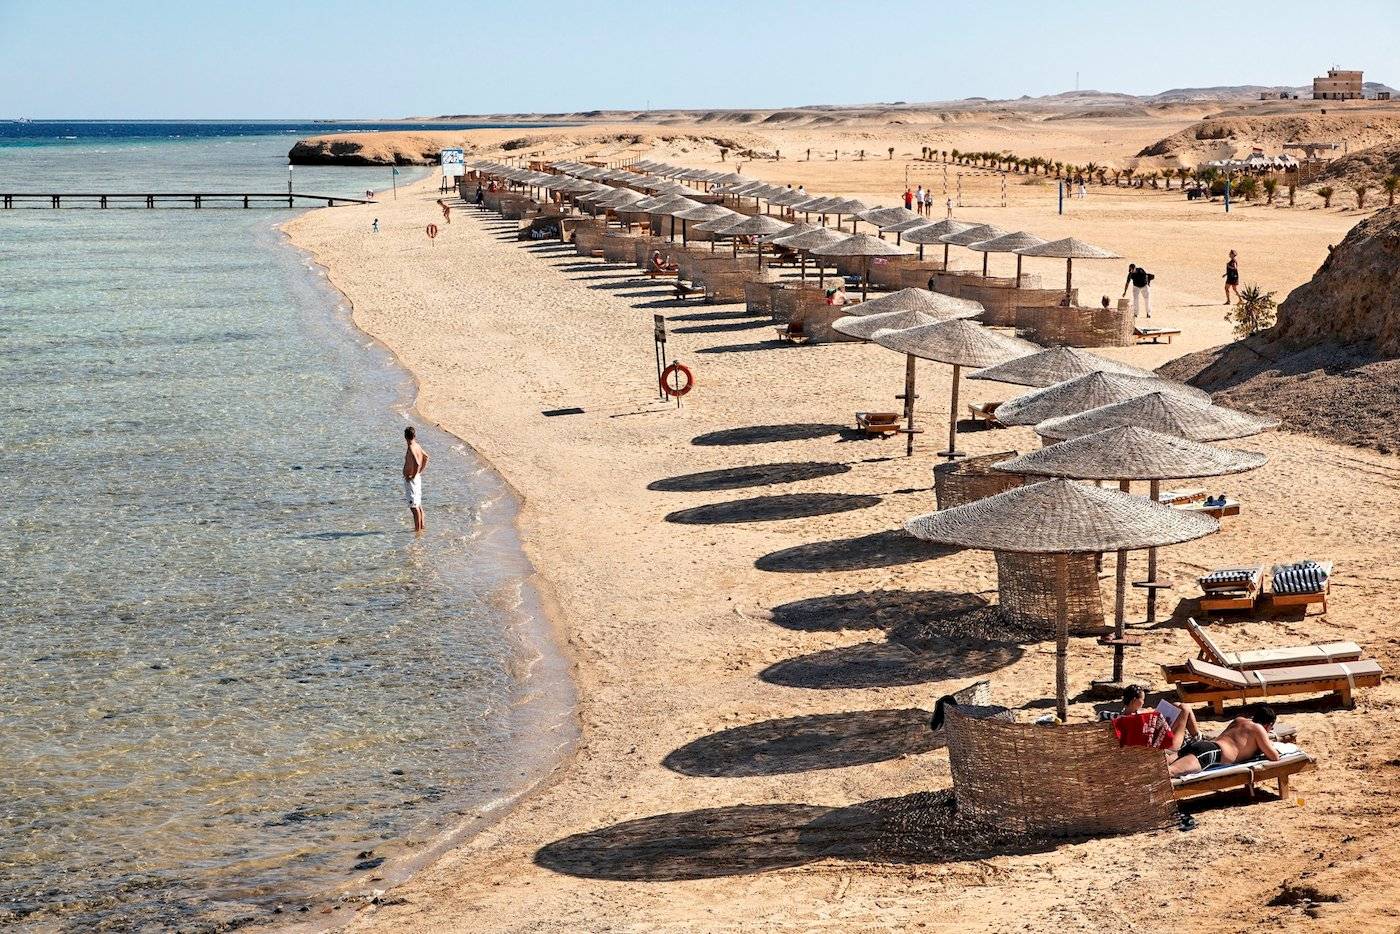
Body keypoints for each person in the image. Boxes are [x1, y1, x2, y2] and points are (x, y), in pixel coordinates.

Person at [1170, 706, 1279, 777]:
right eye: (1271, 727)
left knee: (1160, 766)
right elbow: (1274, 756)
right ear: (1268, 725)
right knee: (1171, 772)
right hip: (1211, 753)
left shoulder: (1239, 720)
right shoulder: (1259, 729)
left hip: (1203, 746)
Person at [402, 426, 429, 534]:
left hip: (412, 480)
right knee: (418, 504)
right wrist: (419, 472)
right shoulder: (417, 445)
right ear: (414, 435)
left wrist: (413, 476)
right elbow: (426, 457)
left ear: (405, 437)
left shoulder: (411, 448)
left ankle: (417, 531)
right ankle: (421, 527)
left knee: (414, 507)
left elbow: (417, 463)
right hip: (417, 478)